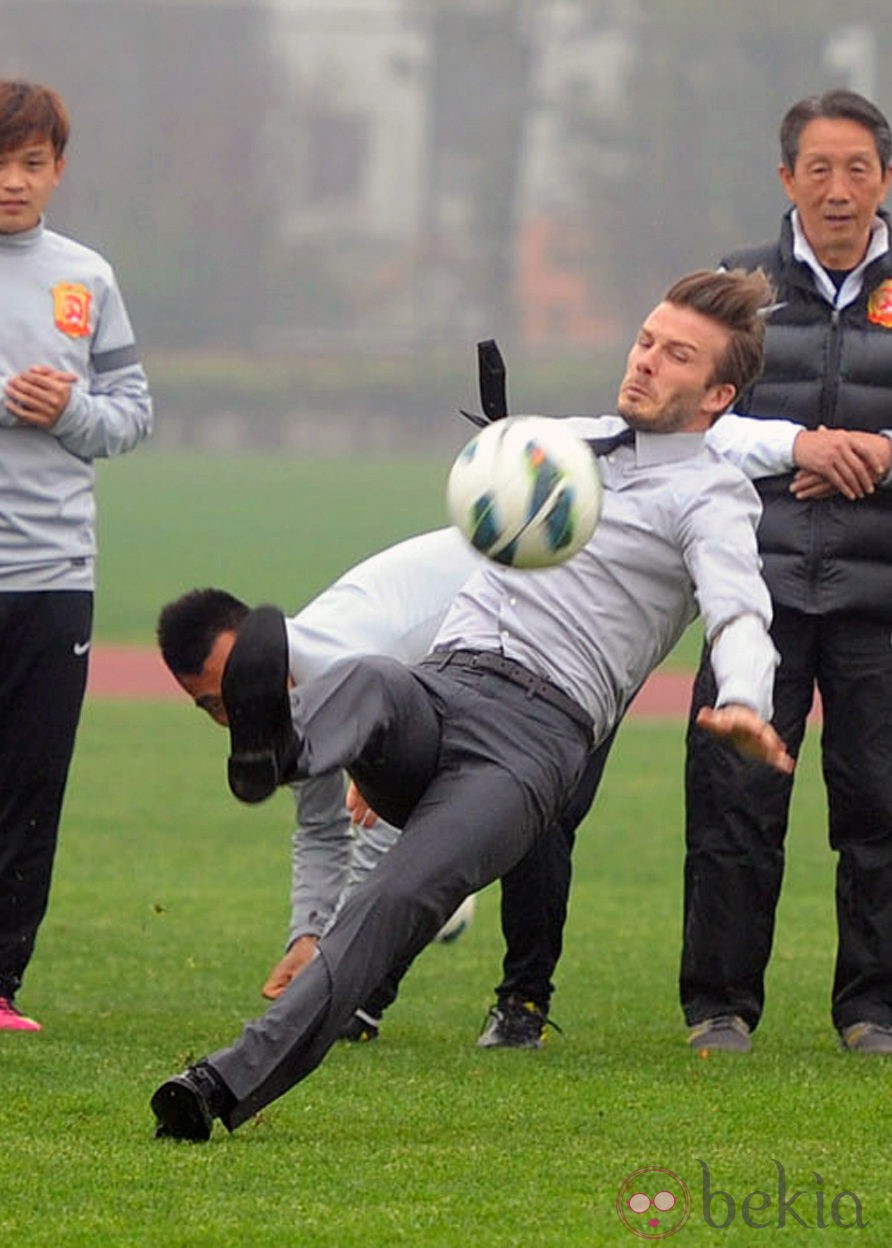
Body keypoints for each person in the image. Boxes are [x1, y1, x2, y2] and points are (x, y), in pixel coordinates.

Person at [148, 266, 796, 1141]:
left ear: (719, 394)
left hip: (530, 746)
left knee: (395, 898)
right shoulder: (565, 444)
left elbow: (741, 613)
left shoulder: (710, 498)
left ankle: (219, 1086)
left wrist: (750, 699)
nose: (644, 362)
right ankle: (278, 748)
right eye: (645, 340)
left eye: (676, 356)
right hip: (444, 686)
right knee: (375, 677)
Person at [156, 528, 614, 1046]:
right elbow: (322, 828)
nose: (232, 712)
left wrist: (333, 971)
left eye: (232, 691)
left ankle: (521, 1004)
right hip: (472, 666)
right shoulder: (292, 687)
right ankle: (359, 1004)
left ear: (260, 651)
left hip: (559, 615)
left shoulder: (346, 666)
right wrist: (308, 937)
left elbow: (391, 842)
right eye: (213, 705)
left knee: (536, 812)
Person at [681, 88, 892, 1056]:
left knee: (880, 810)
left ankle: (873, 1010)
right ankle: (719, 1007)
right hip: (753, 599)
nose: (838, 189)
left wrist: (878, 451)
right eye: (819, 168)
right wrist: (800, 446)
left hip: (879, 601)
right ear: (785, 179)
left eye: (857, 168)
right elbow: (683, 421)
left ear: (883, 179)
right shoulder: (738, 286)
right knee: (735, 801)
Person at [0, 81, 153, 1032]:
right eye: (0, 160)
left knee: (27, 790)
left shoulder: (85, 278)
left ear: (58, 170)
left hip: (54, 579)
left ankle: (0, 985)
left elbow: (131, 416)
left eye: (30, 163)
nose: (12, 182)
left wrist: (72, 413)